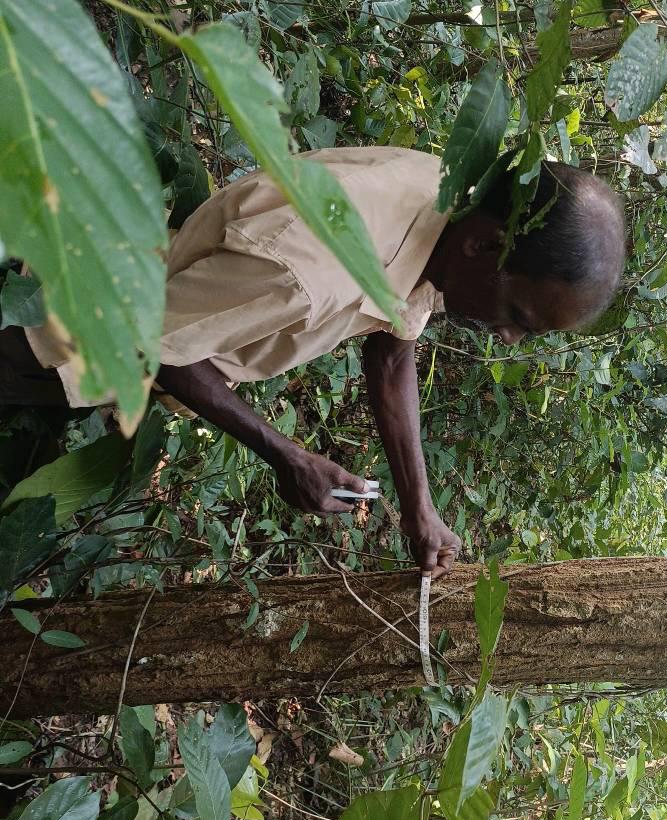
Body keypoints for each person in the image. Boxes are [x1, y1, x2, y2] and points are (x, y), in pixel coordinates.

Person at [8, 147, 627, 578]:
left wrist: (419, 505)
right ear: (484, 246)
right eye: (518, 316)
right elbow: (158, 349)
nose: (509, 338)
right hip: (59, 328)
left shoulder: (446, 198)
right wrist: (287, 456)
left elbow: (392, 348)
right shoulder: (308, 273)